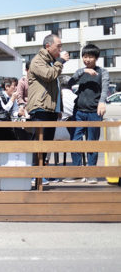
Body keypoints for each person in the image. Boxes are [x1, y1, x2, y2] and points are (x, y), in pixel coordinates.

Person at [64, 44, 110, 184]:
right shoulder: (80, 71)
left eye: (90, 57)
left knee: (92, 143)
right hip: (78, 111)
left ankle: (91, 173)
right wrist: (82, 71)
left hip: (94, 113)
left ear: (96, 58)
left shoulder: (103, 72)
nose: (87, 59)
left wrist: (102, 102)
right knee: (75, 142)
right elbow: (68, 83)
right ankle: (77, 172)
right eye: (85, 56)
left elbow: (104, 89)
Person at [26, 34, 69, 185]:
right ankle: (34, 174)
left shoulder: (51, 62)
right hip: (40, 108)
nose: (60, 49)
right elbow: (49, 75)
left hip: (49, 109)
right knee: (39, 142)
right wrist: (61, 61)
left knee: (47, 143)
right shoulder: (38, 61)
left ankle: (41, 173)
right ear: (47, 46)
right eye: (58, 46)